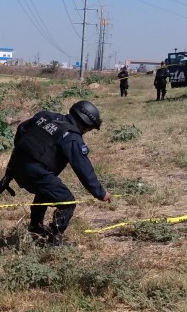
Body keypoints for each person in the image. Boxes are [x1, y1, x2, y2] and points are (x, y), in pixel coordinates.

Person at [6, 100, 111, 245]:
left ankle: (35, 229)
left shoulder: (46, 116)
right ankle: (54, 240)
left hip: (16, 165)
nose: (86, 132)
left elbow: (22, 128)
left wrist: (23, 153)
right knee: (67, 202)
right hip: (35, 172)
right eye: (88, 129)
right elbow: (83, 168)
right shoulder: (72, 136)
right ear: (84, 124)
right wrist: (101, 193)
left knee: (46, 190)